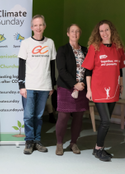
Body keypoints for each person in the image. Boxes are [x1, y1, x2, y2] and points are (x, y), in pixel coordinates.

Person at [82, 20, 125, 162]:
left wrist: (121, 84)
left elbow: (120, 69)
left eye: (106, 30)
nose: (104, 33)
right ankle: (98, 148)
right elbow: (87, 70)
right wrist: (89, 90)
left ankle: (98, 148)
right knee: (106, 121)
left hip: (113, 89)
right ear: (98, 33)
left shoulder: (118, 48)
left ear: (111, 30)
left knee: (106, 122)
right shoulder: (95, 47)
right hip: (98, 89)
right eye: (101, 31)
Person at [18, 14, 56, 155]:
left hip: (44, 85)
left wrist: (52, 84)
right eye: (35, 25)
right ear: (31, 27)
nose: (38, 27)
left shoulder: (50, 42)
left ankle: (37, 140)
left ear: (44, 26)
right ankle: (29, 141)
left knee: (39, 116)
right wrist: (21, 85)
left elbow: (52, 65)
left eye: (41, 25)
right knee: (28, 116)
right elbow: (21, 65)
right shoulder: (26, 43)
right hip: (29, 86)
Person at [55, 24, 89, 156]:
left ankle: (74, 143)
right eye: (72, 31)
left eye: (77, 31)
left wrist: (84, 85)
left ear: (80, 34)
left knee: (79, 117)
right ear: (68, 33)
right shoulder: (62, 49)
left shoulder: (85, 50)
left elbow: (89, 69)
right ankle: (59, 144)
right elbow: (61, 70)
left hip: (82, 89)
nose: (75, 34)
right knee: (63, 116)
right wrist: (75, 84)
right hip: (66, 87)